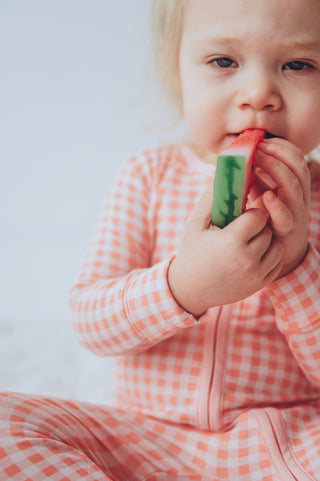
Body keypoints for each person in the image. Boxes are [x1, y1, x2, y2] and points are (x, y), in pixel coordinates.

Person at [1, 0, 320, 479]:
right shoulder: (147, 178)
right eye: (223, 61)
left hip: (283, 445)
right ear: (176, 69)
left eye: (299, 64)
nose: (258, 93)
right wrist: (181, 288)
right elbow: (91, 325)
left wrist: (296, 267)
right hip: (143, 440)